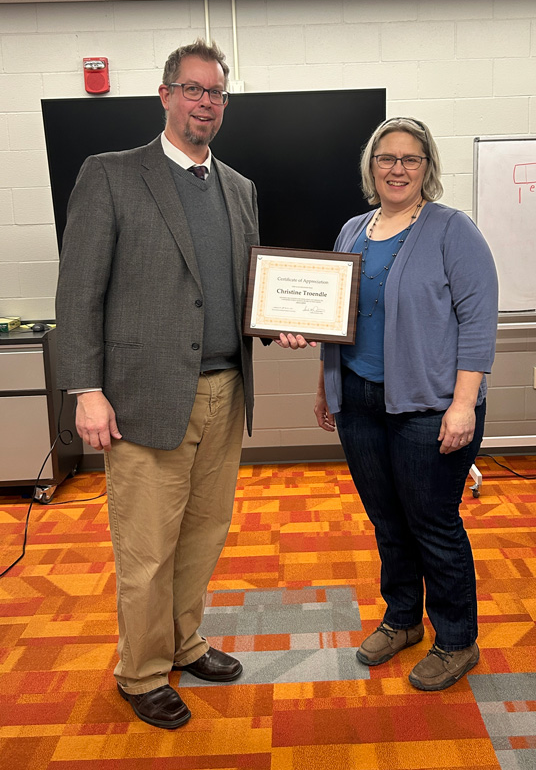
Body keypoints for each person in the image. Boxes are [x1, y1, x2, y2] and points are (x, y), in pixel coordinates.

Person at [55, 39, 309, 730]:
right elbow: (78, 291)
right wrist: (86, 388)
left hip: (226, 392)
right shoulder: (110, 175)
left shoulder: (238, 188)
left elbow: (239, 289)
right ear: (165, 95)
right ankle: (139, 672)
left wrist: (280, 320)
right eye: (194, 90)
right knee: (146, 547)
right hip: (141, 399)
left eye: (217, 94)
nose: (206, 103)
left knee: (202, 536)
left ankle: (183, 642)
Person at [314, 117, 498, 692]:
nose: (397, 169)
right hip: (360, 400)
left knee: (433, 523)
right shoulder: (352, 230)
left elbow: (478, 322)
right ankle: (401, 620)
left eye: (410, 159)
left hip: (431, 405)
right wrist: (325, 384)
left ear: (427, 168)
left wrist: (463, 405)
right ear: (372, 166)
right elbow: (337, 317)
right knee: (387, 521)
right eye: (386, 158)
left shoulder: (452, 230)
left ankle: (457, 639)